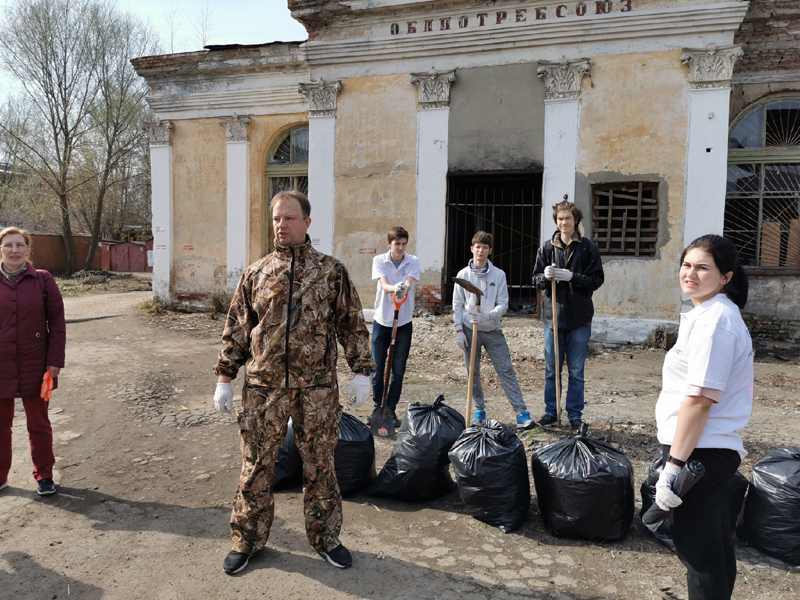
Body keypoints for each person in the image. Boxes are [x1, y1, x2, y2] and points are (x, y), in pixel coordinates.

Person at [212, 190, 375, 575]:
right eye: (276, 219)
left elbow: (352, 324)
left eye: (289, 218)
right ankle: (247, 539)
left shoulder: (330, 271)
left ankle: (326, 538)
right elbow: (237, 328)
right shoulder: (257, 272)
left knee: (320, 465)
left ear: (307, 222)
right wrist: (224, 377)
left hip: (316, 389)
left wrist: (362, 371)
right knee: (256, 464)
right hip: (263, 388)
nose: (280, 225)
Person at [654, 234, 753, 600]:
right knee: (714, 546)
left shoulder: (716, 323)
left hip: (700, 454)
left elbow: (699, 401)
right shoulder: (709, 315)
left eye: (703, 268)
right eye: (687, 265)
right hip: (706, 450)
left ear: (726, 277)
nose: (691, 274)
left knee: (699, 553)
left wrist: (673, 466)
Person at [0, 227, 65, 496]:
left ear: (28, 249)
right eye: (8, 245)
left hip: (36, 364)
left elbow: (57, 322)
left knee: (38, 423)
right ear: (1, 249)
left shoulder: (42, 279)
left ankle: (44, 475)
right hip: (1, 365)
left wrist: (55, 360)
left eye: (20, 245)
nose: (14, 250)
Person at [532, 200, 604, 431]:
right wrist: (545, 277)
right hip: (553, 319)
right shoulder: (546, 248)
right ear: (556, 221)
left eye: (568, 219)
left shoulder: (587, 248)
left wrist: (572, 277)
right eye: (560, 219)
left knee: (576, 371)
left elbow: (597, 280)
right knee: (552, 370)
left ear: (576, 220)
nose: (564, 223)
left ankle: (574, 415)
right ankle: (551, 412)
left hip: (579, 319)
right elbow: (535, 280)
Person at [454, 231, 534, 429]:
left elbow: (503, 304)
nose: (480, 251)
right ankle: (479, 410)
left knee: (505, 369)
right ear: (472, 249)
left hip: (492, 330)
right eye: (477, 247)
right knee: (472, 371)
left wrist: (488, 316)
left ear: (490, 251)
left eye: (485, 247)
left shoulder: (498, 275)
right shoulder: (463, 276)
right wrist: (459, 331)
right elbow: (457, 304)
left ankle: (521, 412)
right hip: (469, 330)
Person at [370, 226, 420, 427]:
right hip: (382, 320)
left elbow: (409, 282)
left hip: (404, 321)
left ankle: (390, 408)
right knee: (377, 368)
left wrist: (404, 287)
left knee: (398, 370)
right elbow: (384, 285)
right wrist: (395, 288)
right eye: (397, 243)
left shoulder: (412, 261)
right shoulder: (379, 260)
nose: (400, 247)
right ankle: (377, 407)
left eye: (403, 244)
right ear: (389, 244)